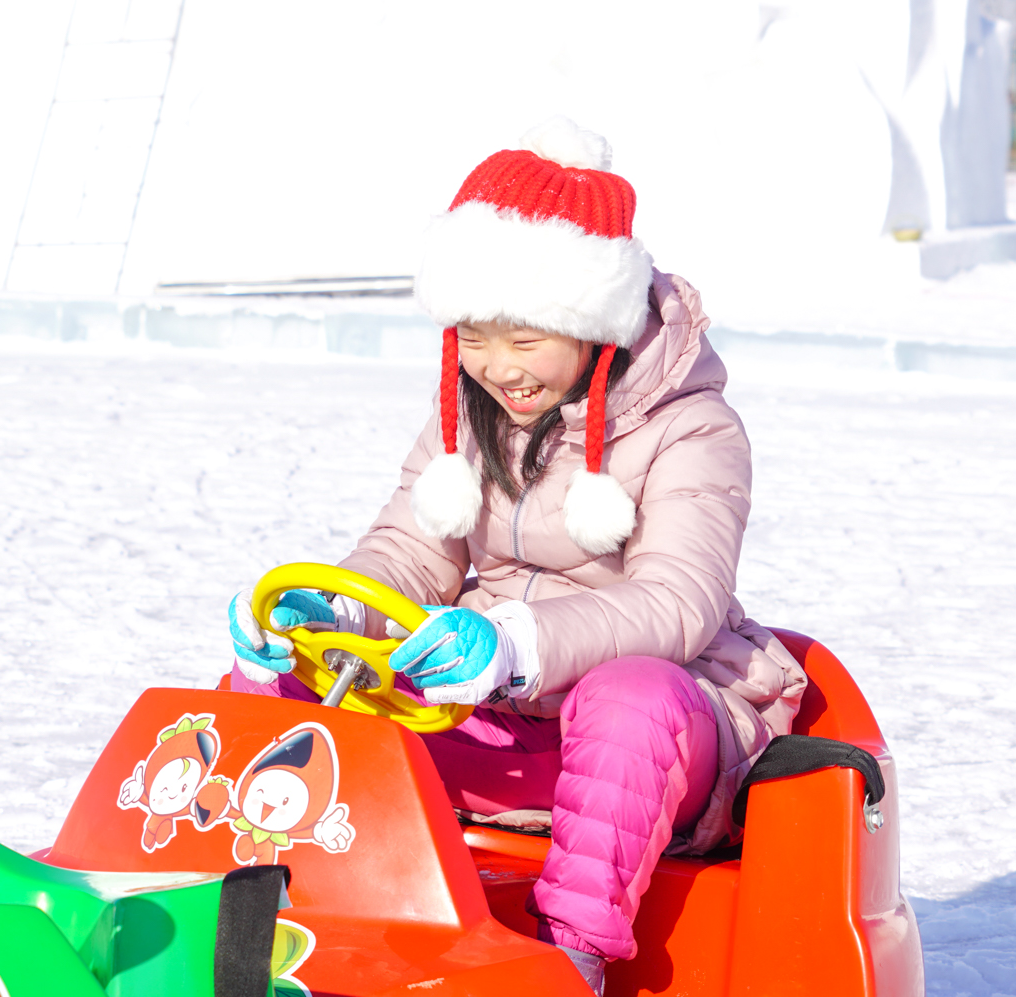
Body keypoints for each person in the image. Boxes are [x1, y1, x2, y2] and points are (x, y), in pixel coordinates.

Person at [223, 118, 805, 995]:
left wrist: (517, 643)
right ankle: (261, 927)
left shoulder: (691, 428)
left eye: (526, 340)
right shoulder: (468, 414)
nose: (499, 368)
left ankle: (572, 959)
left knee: (629, 697)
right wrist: (334, 613)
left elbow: (677, 602)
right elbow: (410, 552)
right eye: (476, 337)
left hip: (652, 743)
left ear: (597, 325)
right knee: (280, 685)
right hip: (492, 717)